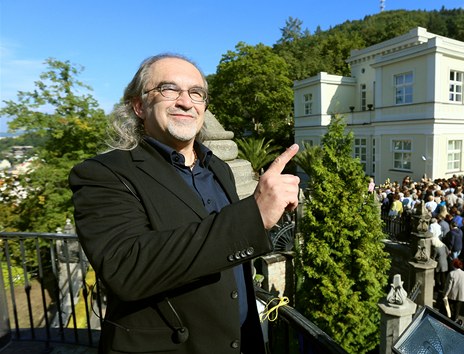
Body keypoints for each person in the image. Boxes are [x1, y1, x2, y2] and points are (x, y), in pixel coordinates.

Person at [69, 54, 300, 354]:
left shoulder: (219, 168)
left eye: (196, 93)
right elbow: (126, 268)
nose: (185, 102)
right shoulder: (104, 173)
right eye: (169, 89)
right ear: (139, 106)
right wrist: (252, 216)